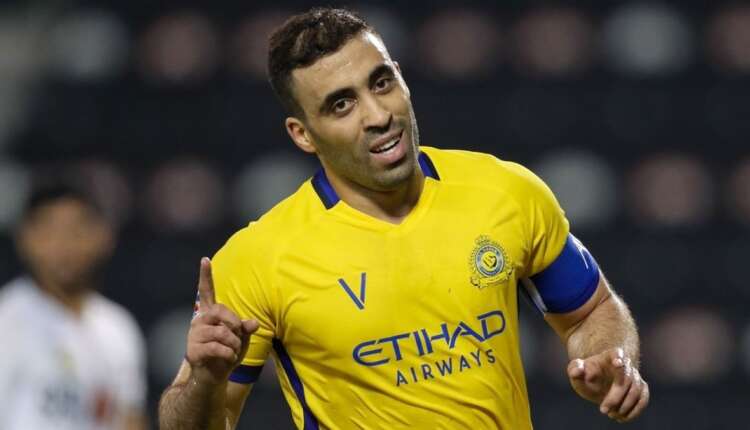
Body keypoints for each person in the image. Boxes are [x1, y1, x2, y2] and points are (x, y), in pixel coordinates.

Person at [159, 7, 649, 429]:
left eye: (381, 83)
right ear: (303, 134)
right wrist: (204, 380)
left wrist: (609, 357)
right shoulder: (257, 259)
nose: (377, 115)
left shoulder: (504, 192)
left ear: (401, 77)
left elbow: (592, 311)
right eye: (341, 105)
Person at [0, 183, 148, 430]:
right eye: (49, 231)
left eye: (77, 230)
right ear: (25, 238)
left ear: (104, 236)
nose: (63, 245)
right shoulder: (7, 319)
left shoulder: (117, 326)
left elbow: (130, 418)